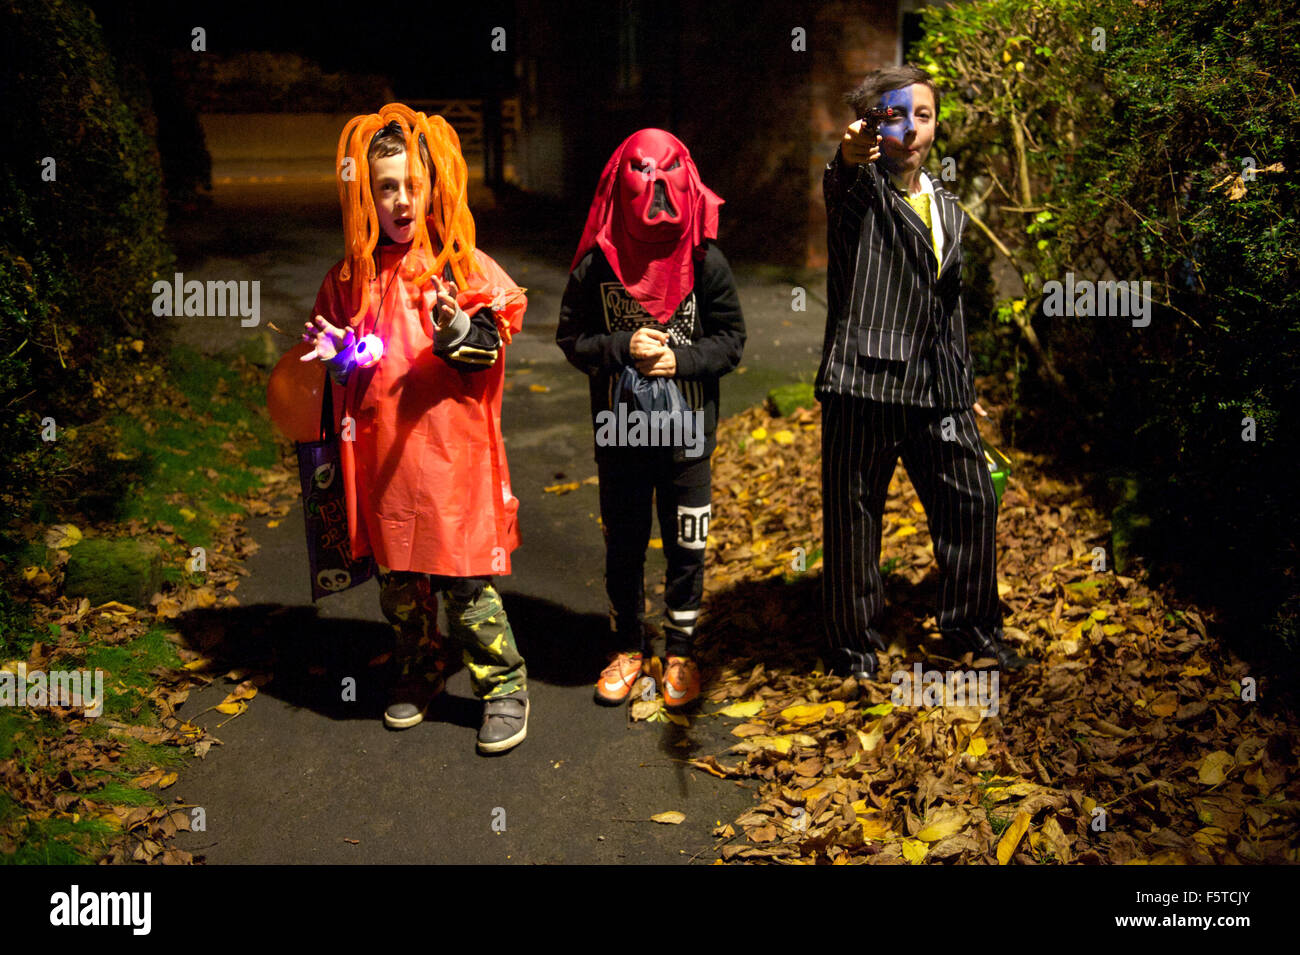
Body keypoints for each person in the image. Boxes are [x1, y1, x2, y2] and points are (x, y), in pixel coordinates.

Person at [301, 104, 531, 753]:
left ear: (432, 185)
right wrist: (340, 356)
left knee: (463, 582)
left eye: (411, 184)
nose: (402, 201)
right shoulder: (352, 276)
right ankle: (422, 662)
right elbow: (335, 364)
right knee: (400, 583)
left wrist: (457, 326)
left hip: (451, 458)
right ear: (365, 195)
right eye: (386, 187)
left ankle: (504, 684)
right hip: (385, 464)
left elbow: (488, 343)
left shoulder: (460, 265)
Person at [819, 65, 1029, 682]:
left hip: (939, 389)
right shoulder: (859, 188)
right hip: (864, 384)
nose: (910, 129)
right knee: (853, 521)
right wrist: (851, 152)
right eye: (894, 115)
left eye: (924, 115)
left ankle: (971, 628)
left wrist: (964, 385)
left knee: (971, 501)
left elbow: (950, 303)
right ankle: (851, 652)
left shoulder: (948, 205)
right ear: (872, 122)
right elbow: (844, 172)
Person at [557, 129, 745, 709]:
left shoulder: (706, 261)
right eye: (642, 172)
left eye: (668, 174)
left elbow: (731, 341)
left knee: (687, 545)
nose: (657, 188)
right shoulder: (596, 266)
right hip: (621, 438)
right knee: (625, 546)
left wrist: (680, 359)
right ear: (620, 181)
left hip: (688, 439)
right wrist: (619, 347)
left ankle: (682, 649)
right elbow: (571, 337)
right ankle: (630, 645)